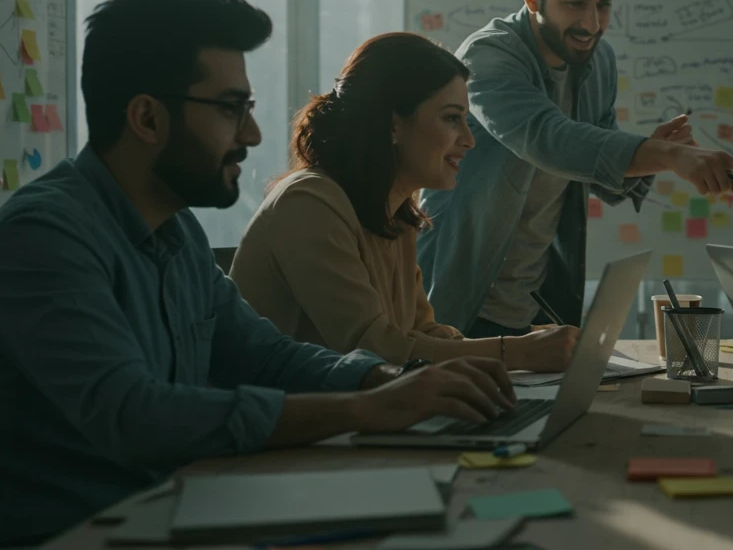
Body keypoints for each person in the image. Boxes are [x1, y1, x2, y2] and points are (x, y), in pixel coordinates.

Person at [0, 0, 517, 548]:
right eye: (231, 109)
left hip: (185, 507)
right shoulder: (43, 241)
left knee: (474, 523)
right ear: (147, 119)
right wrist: (364, 408)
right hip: (91, 533)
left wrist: (386, 381)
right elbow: (136, 416)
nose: (252, 134)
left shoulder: (174, 230)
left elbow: (264, 354)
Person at [417, 0, 733, 337]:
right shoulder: (489, 57)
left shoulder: (598, 60)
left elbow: (597, 171)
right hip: (460, 302)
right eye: (575, 3)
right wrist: (671, 156)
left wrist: (651, 152)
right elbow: (549, 140)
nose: (592, 24)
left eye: (604, 5)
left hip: (537, 305)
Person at [233, 32, 580, 372]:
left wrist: (528, 340)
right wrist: (515, 352)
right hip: (298, 423)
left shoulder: (394, 212)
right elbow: (374, 350)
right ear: (392, 125)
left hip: (359, 418)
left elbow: (423, 334)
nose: (469, 140)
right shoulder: (308, 204)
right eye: (451, 118)